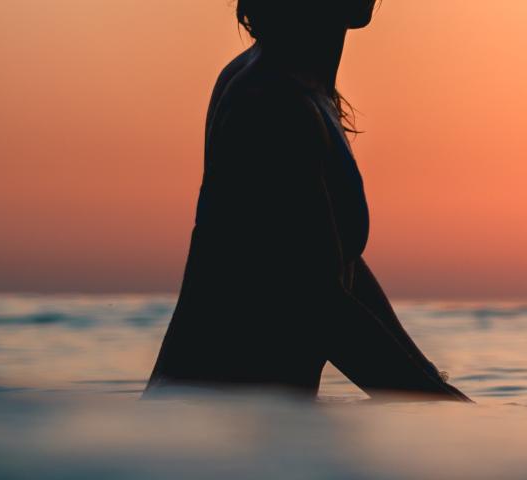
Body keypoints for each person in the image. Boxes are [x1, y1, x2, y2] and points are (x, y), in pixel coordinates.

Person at [145, 0, 470, 402]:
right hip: (213, 430)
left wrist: (436, 388)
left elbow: (333, 262)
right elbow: (319, 307)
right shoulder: (271, 101)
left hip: (232, 428)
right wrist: (442, 408)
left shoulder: (298, 86)